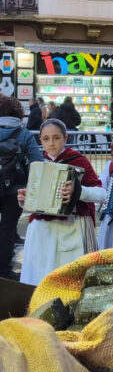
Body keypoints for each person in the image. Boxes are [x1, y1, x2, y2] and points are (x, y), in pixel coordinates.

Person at [19, 119, 106, 286]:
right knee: (39, 279)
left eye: (56, 137)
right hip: (41, 232)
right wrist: (25, 199)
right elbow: (35, 199)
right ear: (40, 140)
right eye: (46, 139)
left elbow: (101, 193)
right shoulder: (38, 163)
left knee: (69, 281)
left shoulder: (79, 161)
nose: (51, 143)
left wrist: (78, 190)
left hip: (71, 229)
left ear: (66, 138)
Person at [0, 96, 43, 280]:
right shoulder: (24, 134)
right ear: (18, 112)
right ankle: (3, 270)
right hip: (15, 190)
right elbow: (38, 162)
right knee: (8, 229)